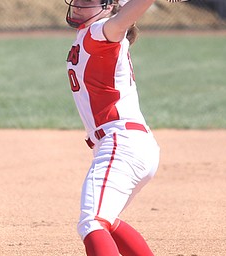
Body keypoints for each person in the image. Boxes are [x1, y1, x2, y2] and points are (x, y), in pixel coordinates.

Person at [65, 0, 160, 255]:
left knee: (92, 222)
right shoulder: (91, 32)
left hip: (121, 143)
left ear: (108, 7)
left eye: (88, 1)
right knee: (106, 218)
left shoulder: (102, 31)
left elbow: (123, 18)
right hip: (128, 143)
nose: (77, 5)